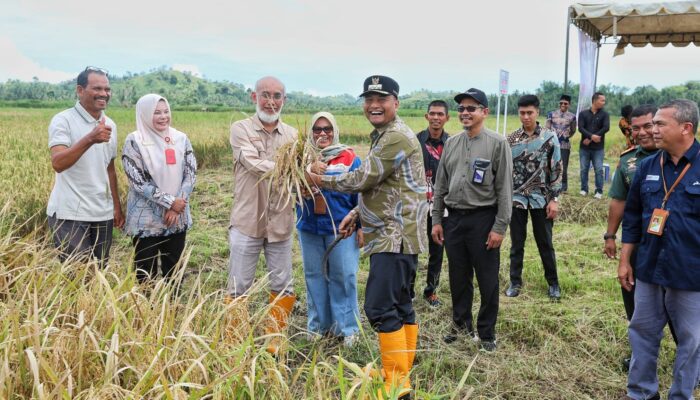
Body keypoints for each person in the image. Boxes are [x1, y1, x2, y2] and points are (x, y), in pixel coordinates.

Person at [306, 75, 427, 399]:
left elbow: (362, 177)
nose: (374, 105)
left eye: (382, 99)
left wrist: (319, 177)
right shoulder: (384, 136)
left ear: (395, 103)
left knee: (379, 307)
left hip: (394, 235)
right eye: (369, 99)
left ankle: (397, 383)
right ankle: (399, 374)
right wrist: (357, 214)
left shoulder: (395, 137)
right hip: (394, 232)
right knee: (401, 305)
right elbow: (384, 186)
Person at [619, 99, 700, 400]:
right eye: (652, 124)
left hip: (690, 272)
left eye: (659, 123)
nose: (651, 130)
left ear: (685, 128)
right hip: (650, 268)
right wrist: (625, 260)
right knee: (642, 332)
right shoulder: (647, 167)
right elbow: (632, 218)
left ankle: (681, 395)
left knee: (691, 341)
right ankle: (641, 393)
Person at [432, 88, 513, 351]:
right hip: (454, 220)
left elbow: (504, 190)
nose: (465, 113)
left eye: (471, 108)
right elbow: (440, 185)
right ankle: (460, 324)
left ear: (484, 112)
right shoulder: (452, 143)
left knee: (487, 279)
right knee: (458, 276)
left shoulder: (497, 143)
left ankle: (486, 333)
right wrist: (436, 220)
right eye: (462, 109)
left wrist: (499, 227)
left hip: (483, 219)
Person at [226, 76, 298, 354]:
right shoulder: (240, 129)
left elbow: (303, 165)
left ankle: (274, 342)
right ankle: (234, 341)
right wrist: (292, 169)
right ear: (253, 97)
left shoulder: (292, 135)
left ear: (284, 100)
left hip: (281, 220)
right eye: (265, 95)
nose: (271, 101)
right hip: (247, 221)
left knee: (282, 284)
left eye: (277, 96)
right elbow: (253, 163)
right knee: (238, 285)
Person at [297, 111, 363, 346]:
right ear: (311, 133)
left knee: (343, 276)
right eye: (317, 129)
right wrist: (306, 171)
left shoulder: (350, 158)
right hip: (309, 226)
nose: (322, 134)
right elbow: (288, 189)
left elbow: (361, 193)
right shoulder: (299, 157)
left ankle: (347, 329)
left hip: (341, 227)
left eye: (327, 129)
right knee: (314, 275)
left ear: (335, 131)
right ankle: (318, 327)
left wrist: (361, 225)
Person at [47, 66, 124, 265]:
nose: (104, 94)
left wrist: (116, 206)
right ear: (80, 90)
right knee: (78, 276)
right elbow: (58, 163)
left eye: (107, 89)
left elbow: (109, 169)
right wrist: (90, 138)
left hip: (102, 213)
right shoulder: (63, 120)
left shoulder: (111, 125)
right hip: (70, 213)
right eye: (97, 88)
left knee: (99, 273)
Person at [121, 94, 197, 285]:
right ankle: (148, 311)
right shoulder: (134, 141)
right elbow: (138, 181)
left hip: (177, 217)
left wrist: (177, 204)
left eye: (166, 112)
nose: (163, 117)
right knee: (145, 272)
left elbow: (190, 173)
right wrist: (171, 202)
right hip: (146, 219)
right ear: (145, 114)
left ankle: (173, 310)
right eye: (156, 113)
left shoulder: (180, 138)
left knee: (175, 269)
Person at [505, 95, 563, 300]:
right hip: (517, 198)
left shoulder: (549, 137)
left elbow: (556, 168)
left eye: (530, 112)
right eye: (522, 113)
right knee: (516, 243)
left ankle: (553, 283)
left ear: (537, 112)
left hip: (542, 198)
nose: (526, 116)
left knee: (545, 243)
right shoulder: (510, 139)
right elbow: (505, 170)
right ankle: (515, 282)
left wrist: (555, 199)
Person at [415, 100, 450, 307]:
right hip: (417, 204)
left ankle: (431, 291)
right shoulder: (415, 141)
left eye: (440, 114)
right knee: (412, 248)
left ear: (447, 118)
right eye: (432, 114)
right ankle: (407, 289)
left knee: (437, 248)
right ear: (426, 116)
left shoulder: (452, 143)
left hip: (441, 205)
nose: (436, 118)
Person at [578, 92, 610, 199]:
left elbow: (606, 128)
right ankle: (584, 189)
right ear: (595, 100)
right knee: (584, 169)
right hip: (584, 148)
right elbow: (581, 128)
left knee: (599, 169)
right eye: (602, 100)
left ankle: (599, 191)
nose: (603, 103)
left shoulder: (605, 115)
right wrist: (592, 137)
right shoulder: (583, 114)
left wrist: (592, 138)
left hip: (598, 148)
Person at [546, 94, 577, 192]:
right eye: (561, 103)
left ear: (569, 104)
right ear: (559, 103)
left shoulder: (572, 117)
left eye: (565, 103)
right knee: (549, 164)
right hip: (551, 144)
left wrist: (565, 136)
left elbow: (573, 130)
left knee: (563, 166)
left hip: (564, 145)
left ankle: (563, 187)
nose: (563, 105)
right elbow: (547, 128)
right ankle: (548, 184)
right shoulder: (551, 114)